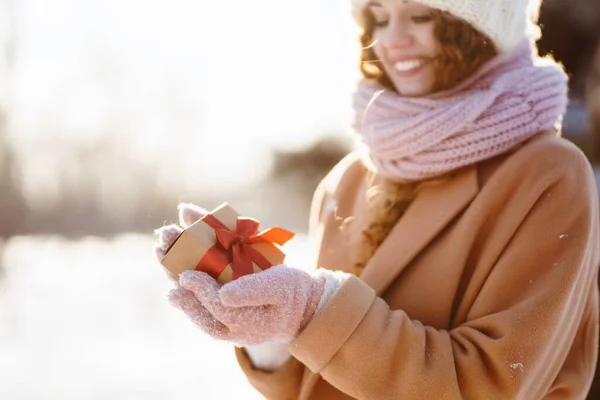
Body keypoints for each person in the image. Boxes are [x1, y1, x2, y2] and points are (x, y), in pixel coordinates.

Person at [154, 0, 600, 398]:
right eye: (380, 17)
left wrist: (313, 311)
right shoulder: (347, 180)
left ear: (482, 27)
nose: (393, 40)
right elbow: (319, 384)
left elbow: (492, 385)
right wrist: (269, 330)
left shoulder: (548, 175)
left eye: (420, 15)